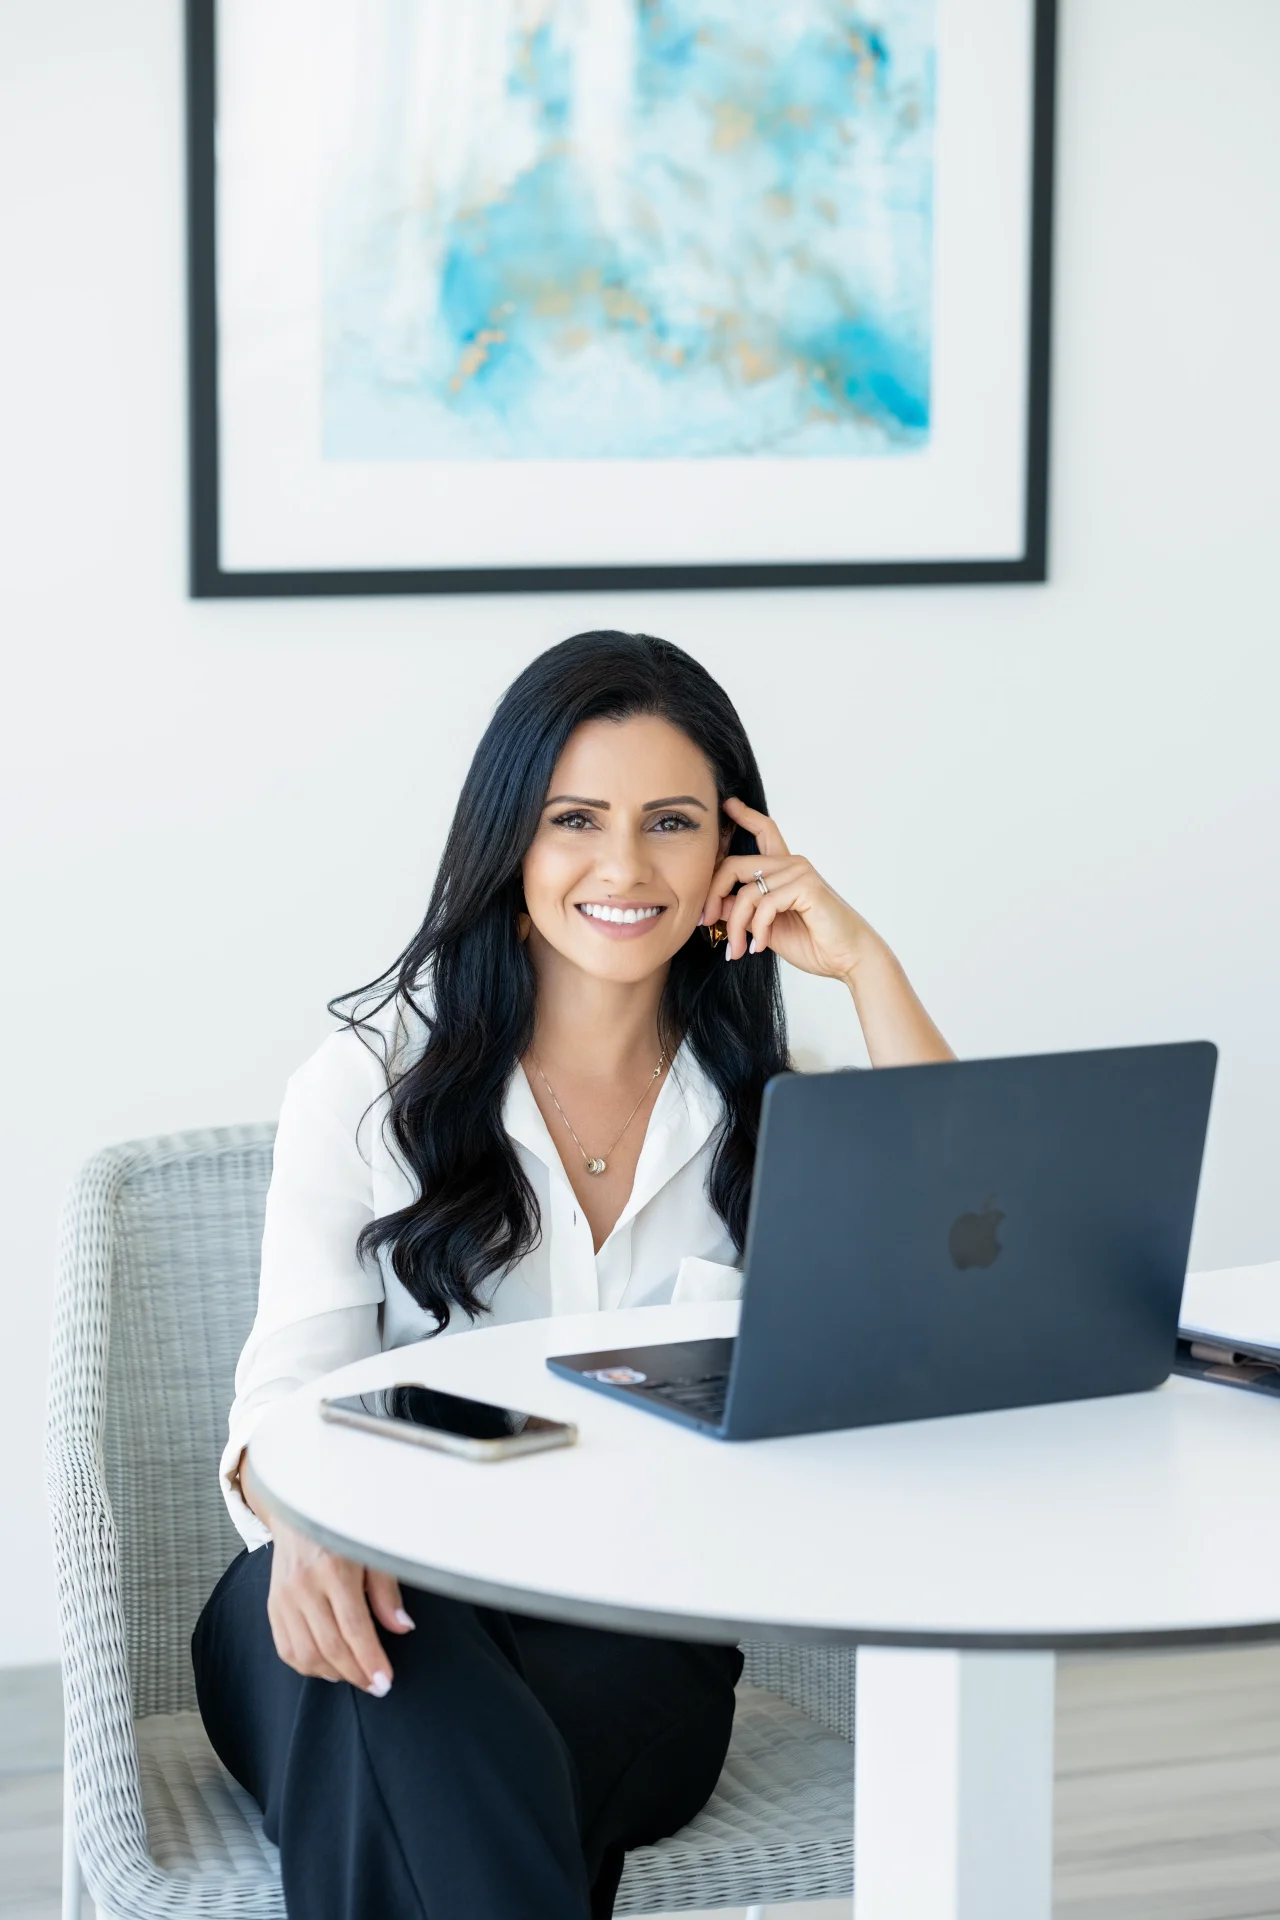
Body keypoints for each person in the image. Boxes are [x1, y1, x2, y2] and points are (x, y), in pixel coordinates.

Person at [192, 630, 952, 1920]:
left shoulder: (786, 1095)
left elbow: (958, 1278)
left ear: (736, 853)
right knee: (383, 1673)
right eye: (575, 819)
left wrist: (872, 967)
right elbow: (283, 1394)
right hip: (338, 1582)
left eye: (671, 822)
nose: (623, 866)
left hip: (631, 1632)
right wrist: (309, 1520)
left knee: (404, 1745)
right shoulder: (369, 1088)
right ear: (511, 844)